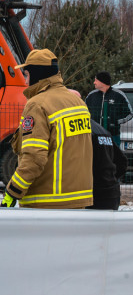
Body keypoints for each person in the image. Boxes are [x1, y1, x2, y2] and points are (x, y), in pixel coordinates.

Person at [2, 48, 93, 209]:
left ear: (37, 75)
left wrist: (12, 192)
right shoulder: (78, 102)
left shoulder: (37, 104)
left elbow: (34, 157)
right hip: (79, 199)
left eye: (27, 75)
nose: (26, 80)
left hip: (47, 201)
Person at [68, 89, 127, 211]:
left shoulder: (79, 131)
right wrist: (110, 179)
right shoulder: (101, 129)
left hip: (93, 195)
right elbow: (122, 162)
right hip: (110, 193)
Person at [85, 70, 132, 148]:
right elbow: (84, 112)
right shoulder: (91, 96)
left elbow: (129, 113)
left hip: (113, 135)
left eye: (96, 80)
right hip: (94, 135)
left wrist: (115, 121)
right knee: (95, 158)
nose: (94, 82)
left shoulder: (119, 95)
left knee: (113, 158)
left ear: (102, 81)